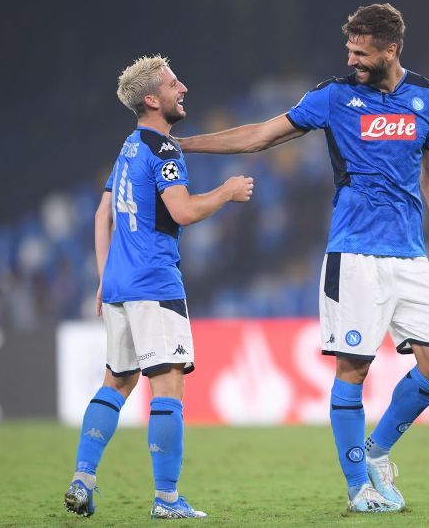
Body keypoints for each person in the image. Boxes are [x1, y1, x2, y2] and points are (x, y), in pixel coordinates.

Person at [179, 3, 429, 513]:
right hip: (353, 253)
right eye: (349, 50)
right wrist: (184, 144)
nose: (352, 59)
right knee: (353, 370)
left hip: (410, 254)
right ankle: (359, 490)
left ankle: (375, 453)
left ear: (391, 50)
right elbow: (262, 135)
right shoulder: (334, 97)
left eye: (362, 52)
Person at [63, 55, 254, 520]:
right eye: (173, 83)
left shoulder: (128, 147)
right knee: (166, 390)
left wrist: (104, 277)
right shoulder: (164, 150)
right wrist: (227, 192)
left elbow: (100, 215)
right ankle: (167, 500)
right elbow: (184, 211)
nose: (182, 87)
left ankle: (82, 480)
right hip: (154, 281)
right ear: (153, 99)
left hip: (120, 287)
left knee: (117, 381)